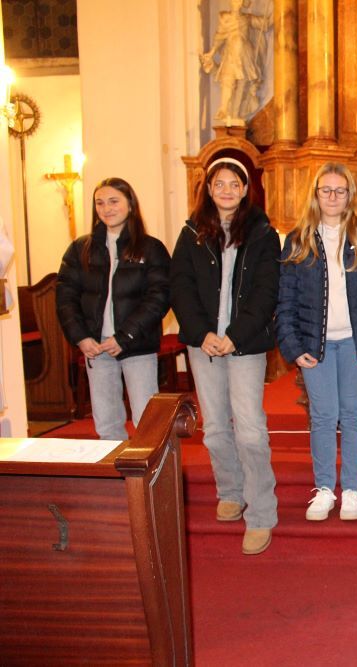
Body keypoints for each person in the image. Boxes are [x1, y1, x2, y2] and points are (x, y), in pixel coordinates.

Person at [170, 157, 280, 556]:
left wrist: (234, 335)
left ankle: (262, 512)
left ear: (246, 189)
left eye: (235, 183)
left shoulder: (263, 233)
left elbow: (267, 291)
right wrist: (203, 333)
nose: (227, 190)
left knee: (250, 430)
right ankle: (230, 490)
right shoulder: (191, 232)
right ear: (209, 188)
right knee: (215, 427)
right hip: (204, 345)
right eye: (220, 183)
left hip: (244, 344)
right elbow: (180, 286)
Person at [276, 163, 357, 522]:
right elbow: (286, 298)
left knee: (353, 414)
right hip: (316, 344)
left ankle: (351, 490)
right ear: (316, 194)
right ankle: (324, 488)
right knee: (323, 416)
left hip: (356, 341)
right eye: (326, 190)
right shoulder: (300, 239)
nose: (333, 197)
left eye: (340, 190)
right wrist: (293, 346)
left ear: (350, 195)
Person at [56, 178, 170, 441]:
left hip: (136, 345)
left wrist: (125, 336)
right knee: (107, 423)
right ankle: (115, 469)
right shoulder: (80, 249)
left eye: (114, 201)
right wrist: (81, 337)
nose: (106, 208)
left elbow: (159, 296)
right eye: (100, 203)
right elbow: (65, 296)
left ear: (130, 204)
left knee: (147, 422)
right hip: (96, 347)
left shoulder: (150, 248)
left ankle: (149, 470)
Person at [200, 0, 272, 122]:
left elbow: (265, 23)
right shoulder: (225, 17)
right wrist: (211, 53)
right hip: (230, 52)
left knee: (242, 83)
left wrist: (271, 12)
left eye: (239, 1)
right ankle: (223, 109)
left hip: (245, 53)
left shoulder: (247, 18)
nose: (236, 4)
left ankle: (235, 115)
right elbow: (219, 36)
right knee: (227, 79)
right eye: (234, 1)